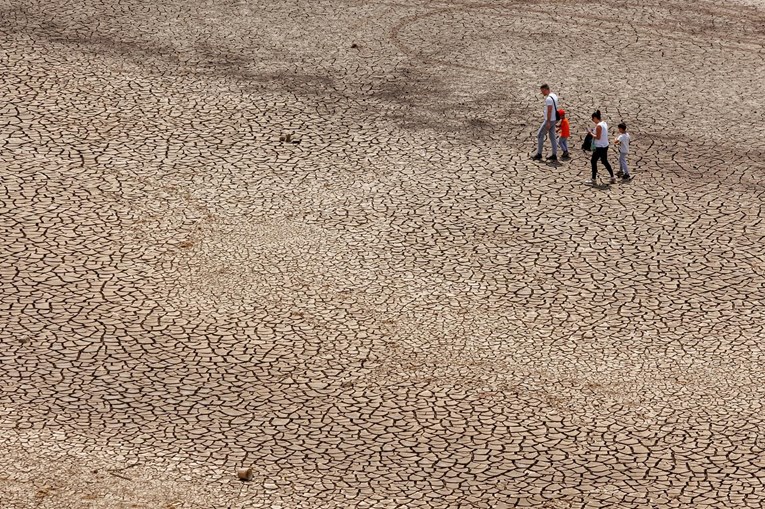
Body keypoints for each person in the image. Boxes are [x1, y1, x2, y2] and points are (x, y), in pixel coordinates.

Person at [585, 110, 615, 185]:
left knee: (593, 161)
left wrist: (590, 133)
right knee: (604, 161)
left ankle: (593, 179)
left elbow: (597, 137)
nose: (592, 120)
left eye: (592, 119)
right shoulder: (604, 123)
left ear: (595, 118)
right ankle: (612, 177)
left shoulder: (598, 126)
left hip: (599, 147)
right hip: (605, 145)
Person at [531, 84, 559, 162]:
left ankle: (539, 154)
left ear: (546, 89)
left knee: (540, 135)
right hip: (554, 119)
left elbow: (549, 110)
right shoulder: (554, 96)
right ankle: (554, 154)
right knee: (552, 136)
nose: (542, 93)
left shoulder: (549, 99)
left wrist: (548, 122)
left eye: (542, 91)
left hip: (549, 120)